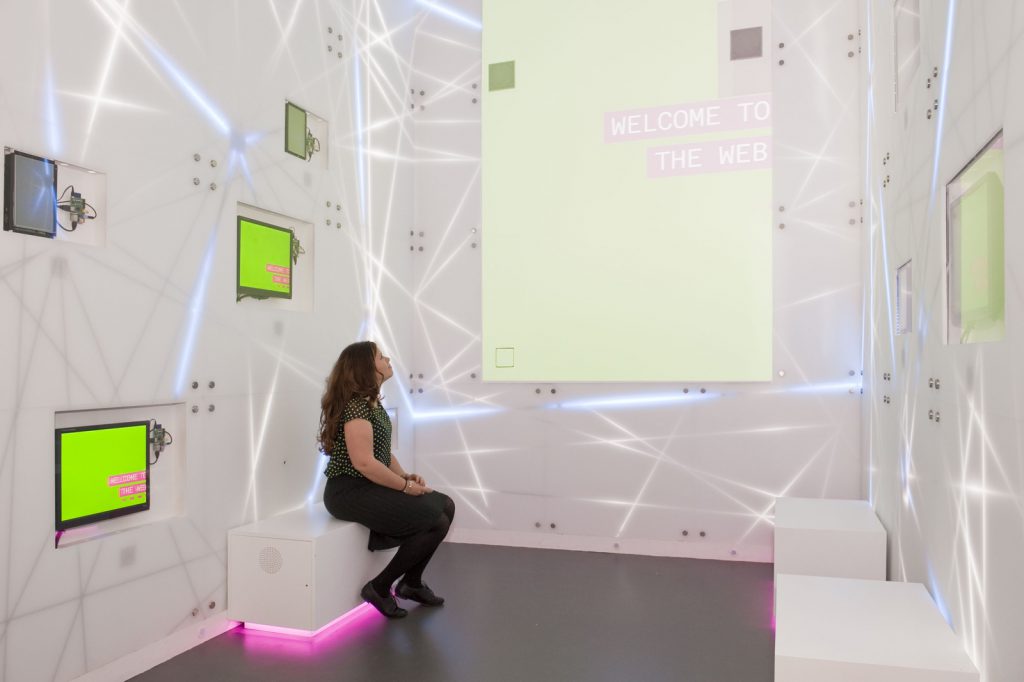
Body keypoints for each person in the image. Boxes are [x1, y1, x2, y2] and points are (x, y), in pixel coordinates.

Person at [318, 341, 455, 618]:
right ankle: (379, 587)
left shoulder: (371, 403)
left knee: (446, 506)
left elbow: (382, 454)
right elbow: (364, 463)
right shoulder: (356, 408)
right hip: (348, 492)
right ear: (366, 368)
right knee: (434, 519)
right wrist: (405, 487)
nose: (388, 359)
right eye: (381, 357)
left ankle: (411, 583)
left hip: (368, 485)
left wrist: (403, 475)